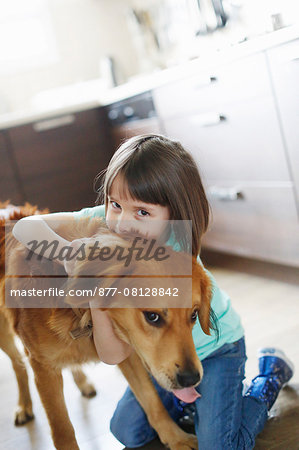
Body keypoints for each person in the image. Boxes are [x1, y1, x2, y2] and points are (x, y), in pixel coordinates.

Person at [12, 134, 294, 449]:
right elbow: (25, 227)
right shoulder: (108, 235)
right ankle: (193, 405)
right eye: (115, 204)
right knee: (127, 432)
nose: (123, 223)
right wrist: (70, 256)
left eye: (143, 213)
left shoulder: (177, 254)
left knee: (222, 444)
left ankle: (268, 378)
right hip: (161, 358)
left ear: (173, 215)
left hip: (217, 349)